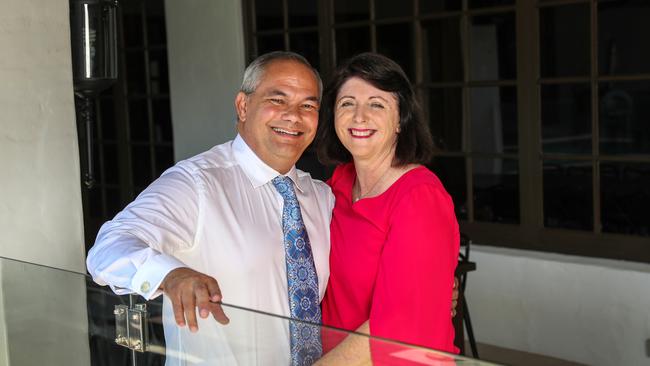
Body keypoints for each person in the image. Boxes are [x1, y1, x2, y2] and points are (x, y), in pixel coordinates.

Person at [87, 51, 334, 365]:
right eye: (278, 100)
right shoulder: (196, 184)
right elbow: (108, 247)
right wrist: (171, 275)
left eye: (308, 106)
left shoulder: (321, 197)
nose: (294, 116)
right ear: (243, 106)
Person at [316, 52, 460, 361]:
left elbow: (399, 328)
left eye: (376, 104)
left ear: (401, 120)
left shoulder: (419, 198)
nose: (359, 117)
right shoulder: (336, 187)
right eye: (347, 103)